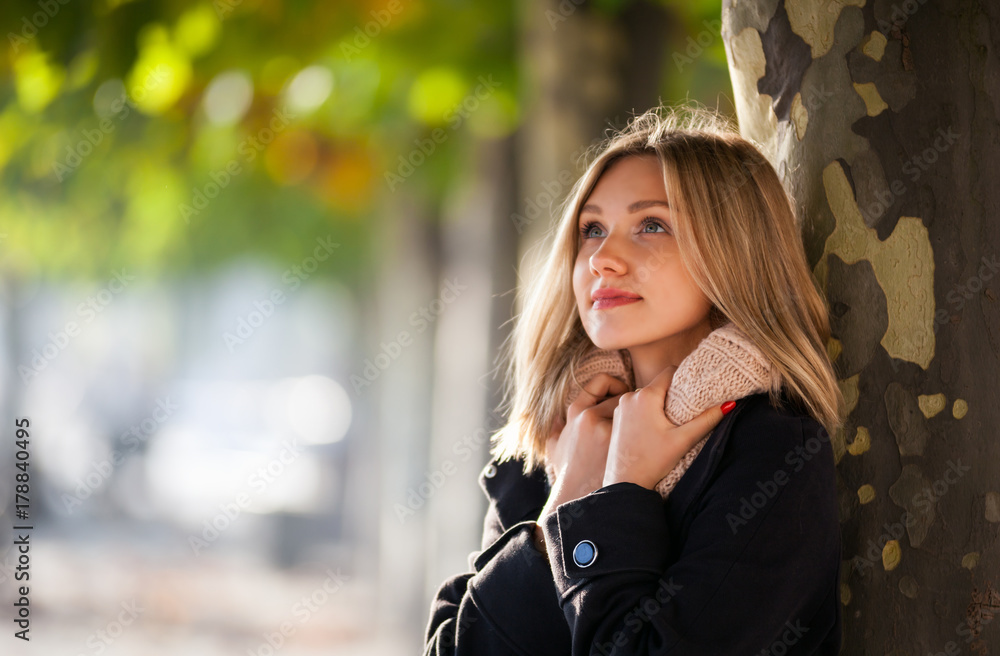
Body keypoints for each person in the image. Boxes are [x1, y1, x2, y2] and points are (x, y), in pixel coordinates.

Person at [423, 102, 845, 655]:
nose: (603, 258)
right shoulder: (548, 443)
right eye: (592, 228)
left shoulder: (772, 454)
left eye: (652, 225)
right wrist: (571, 495)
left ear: (734, 251)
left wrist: (621, 494)